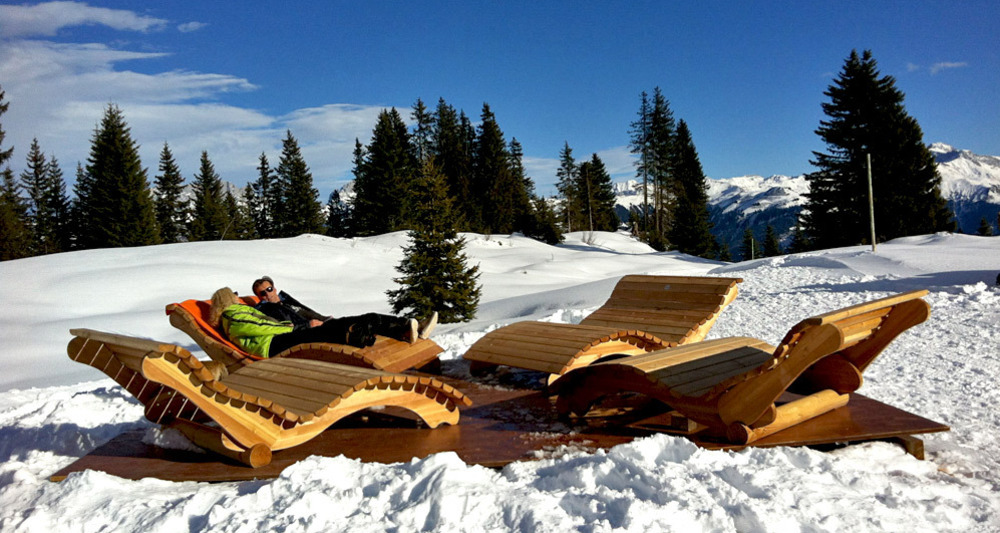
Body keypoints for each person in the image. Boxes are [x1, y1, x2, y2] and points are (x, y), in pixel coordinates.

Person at [208, 287, 425, 359]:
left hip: (276, 340)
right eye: (233, 294)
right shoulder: (232, 315)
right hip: (272, 345)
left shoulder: (236, 313)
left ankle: (402, 327)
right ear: (227, 299)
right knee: (328, 331)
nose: (237, 296)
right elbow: (260, 328)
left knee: (338, 326)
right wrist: (296, 328)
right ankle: (399, 328)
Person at [250, 275, 437, 339]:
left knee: (366, 321)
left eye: (269, 288)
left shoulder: (285, 300)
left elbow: (307, 311)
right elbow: (277, 330)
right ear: (260, 297)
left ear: (274, 287)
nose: (268, 294)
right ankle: (407, 328)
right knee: (366, 321)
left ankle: (410, 329)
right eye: (262, 293)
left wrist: (324, 319)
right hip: (308, 335)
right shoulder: (266, 311)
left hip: (321, 326)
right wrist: (307, 327)